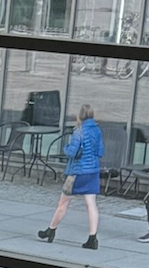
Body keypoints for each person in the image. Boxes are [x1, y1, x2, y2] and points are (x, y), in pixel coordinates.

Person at [39, 103, 104, 250]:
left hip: (77, 172)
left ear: (79, 116)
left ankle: (51, 230)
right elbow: (100, 152)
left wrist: (66, 147)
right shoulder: (97, 131)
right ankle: (93, 238)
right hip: (92, 171)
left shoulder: (79, 132)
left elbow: (71, 152)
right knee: (91, 205)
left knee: (63, 203)